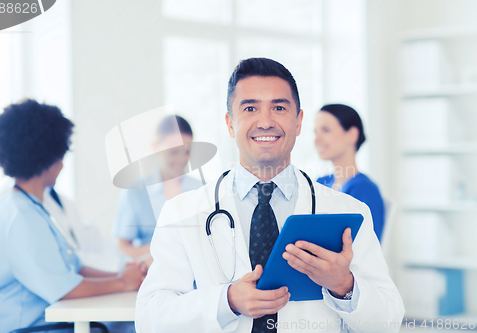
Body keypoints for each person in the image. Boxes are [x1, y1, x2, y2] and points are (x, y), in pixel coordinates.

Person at [135, 58, 404, 332]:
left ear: (298, 122)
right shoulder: (182, 212)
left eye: (279, 107)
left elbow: (388, 322)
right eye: (250, 108)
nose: (265, 122)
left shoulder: (348, 210)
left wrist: (344, 285)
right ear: (230, 124)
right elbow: (149, 318)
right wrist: (226, 301)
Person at [0, 99, 144, 333]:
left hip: (48, 321)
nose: (62, 164)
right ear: (49, 159)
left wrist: (125, 275)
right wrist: (123, 282)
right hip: (26, 328)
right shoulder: (19, 216)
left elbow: (74, 269)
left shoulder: (32, 207)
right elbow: (63, 287)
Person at [112, 115, 203, 263]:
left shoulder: (203, 190)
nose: (181, 159)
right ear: (155, 148)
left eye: (187, 152)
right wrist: (161, 249)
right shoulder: (135, 193)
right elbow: (122, 247)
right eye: (173, 152)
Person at [314, 104, 385, 241]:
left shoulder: (364, 189)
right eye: (315, 132)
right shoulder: (321, 182)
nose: (317, 140)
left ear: (352, 135)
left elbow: (367, 246)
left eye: (326, 130)